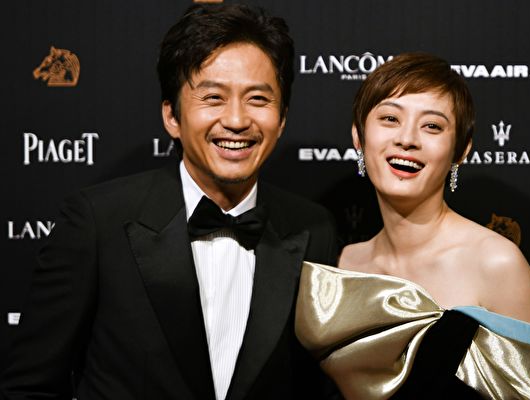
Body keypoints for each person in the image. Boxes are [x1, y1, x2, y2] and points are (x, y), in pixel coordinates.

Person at [1, 4, 338, 400]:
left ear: (281, 119)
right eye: (213, 97)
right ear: (172, 117)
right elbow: (29, 388)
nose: (236, 120)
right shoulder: (98, 222)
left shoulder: (313, 229)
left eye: (258, 99)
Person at [295, 53, 530, 399]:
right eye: (390, 119)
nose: (407, 139)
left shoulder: (497, 263)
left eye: (432, 126)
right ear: (359, 137)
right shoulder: (344, 264)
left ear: (461, 150)